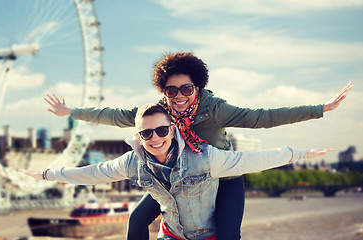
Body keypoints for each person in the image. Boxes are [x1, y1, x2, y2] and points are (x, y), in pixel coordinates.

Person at [44, 51, 353, 240]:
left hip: (222, 176)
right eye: (171, 90)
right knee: (137, 220)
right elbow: (115, 115)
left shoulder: (214, 108)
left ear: (198, 88)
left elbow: (263, 118)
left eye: (186, 89)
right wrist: (70, 112)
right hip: (180, 177)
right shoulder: (158, 112)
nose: (178, 96)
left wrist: (321, 108)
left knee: (228, 235)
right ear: (163, 91)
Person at [21, 103, 334, 240]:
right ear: (138, 136)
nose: (154, 139)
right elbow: (93, 172)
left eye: (160, 131)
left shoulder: (205, 158)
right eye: (146, 134)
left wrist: (300, 154)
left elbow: (253, 159)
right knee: (135, 220)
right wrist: (48, 174)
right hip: (172, 235)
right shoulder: (133, 162)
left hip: (209, 235)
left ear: (172, 130)